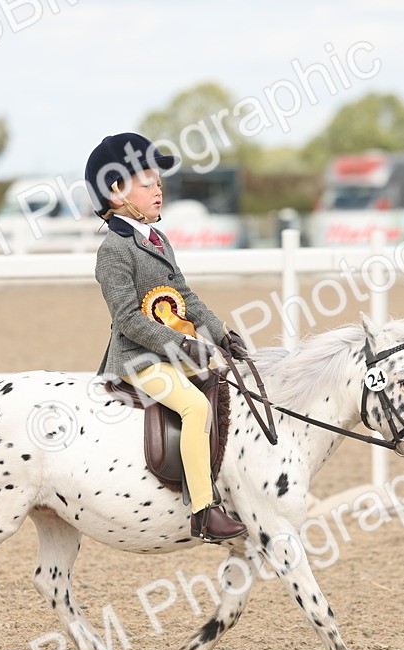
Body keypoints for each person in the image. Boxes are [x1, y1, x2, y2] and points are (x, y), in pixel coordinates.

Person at [85, 132, 249, 543]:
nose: (158, 191)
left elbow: (185, 298)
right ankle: (203, 511)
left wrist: (221, 334)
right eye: (147, 184)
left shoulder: (158, 240)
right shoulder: (114, 250)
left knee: (226, 388)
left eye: (159, 183)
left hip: (172, 355)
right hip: (138, 359)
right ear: (116, 192)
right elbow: (127, 318)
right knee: (195, 407)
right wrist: (181, 345)